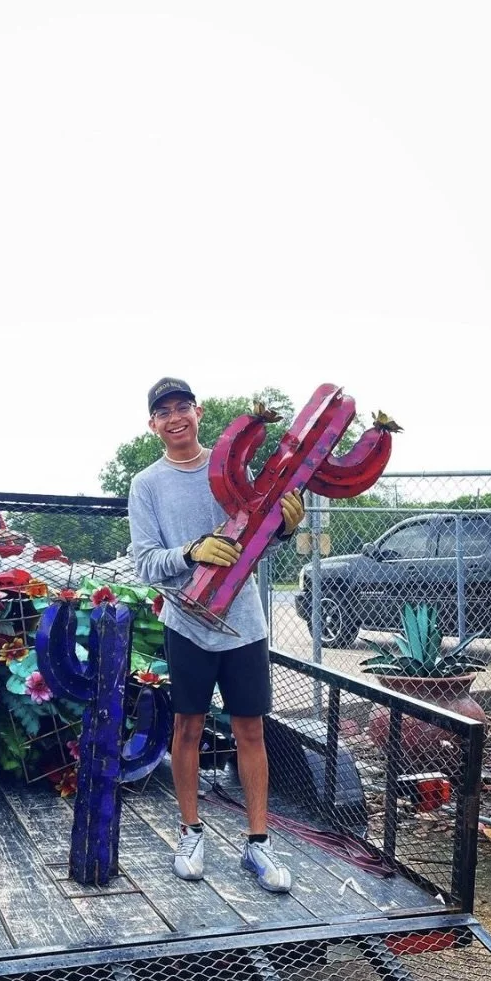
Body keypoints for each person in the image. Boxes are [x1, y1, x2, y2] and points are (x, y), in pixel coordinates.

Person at [127, 377, 305, 893]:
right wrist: (191, 552)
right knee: (186, 728)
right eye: (164, 411)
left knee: (251, 731)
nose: (175, 417)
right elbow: (144, 563)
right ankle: (189, 832)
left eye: (183, 406)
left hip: (244, 625)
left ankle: (258, 844)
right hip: (185, 624)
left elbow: (257, 546)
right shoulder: (148, 485)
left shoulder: (232, 470)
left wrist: (285, 529)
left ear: (199, 413)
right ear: (153, 424)